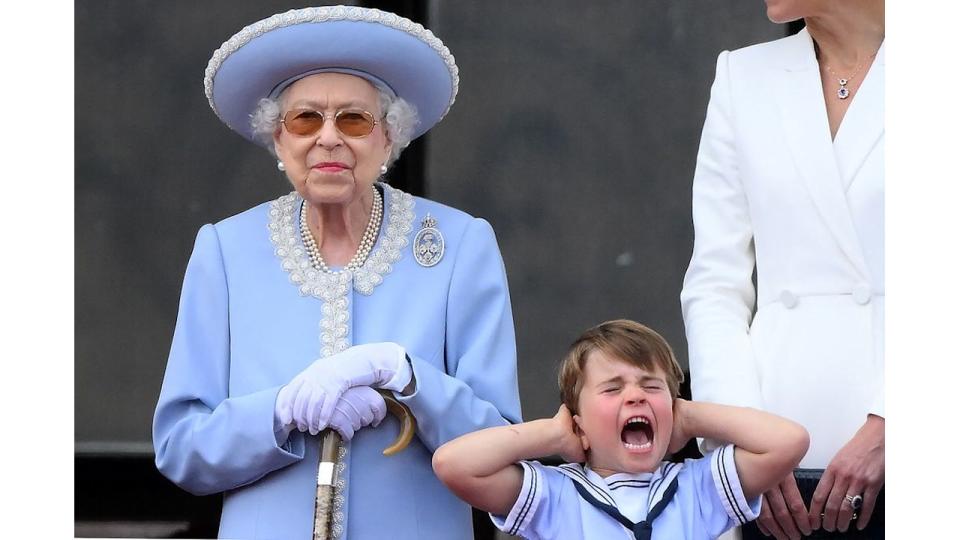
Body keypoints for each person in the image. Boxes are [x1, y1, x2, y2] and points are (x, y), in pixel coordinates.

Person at [152, 6, 521, 539]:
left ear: (388, 140)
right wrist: (279, 412)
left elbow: (501, 445)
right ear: (279, 141)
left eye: (353, 119)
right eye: (305, 120)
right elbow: (180, 448)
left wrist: (407, 376)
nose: (328, 138)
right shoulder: (225, 251)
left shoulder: (461, 245)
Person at [680, 1, 885, 538]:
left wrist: (898, 422)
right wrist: (741, 442)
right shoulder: (742, 77)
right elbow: (714, 283)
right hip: (779, 471)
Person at [433, 320, 809, 539]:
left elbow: (788, 442)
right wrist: (553, 434)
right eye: (612, 389)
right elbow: (454, 464)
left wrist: (690, 418)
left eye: (652, 386)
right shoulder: (555, 495)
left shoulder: (698, 488)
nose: (635, 397)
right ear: (578, 423)